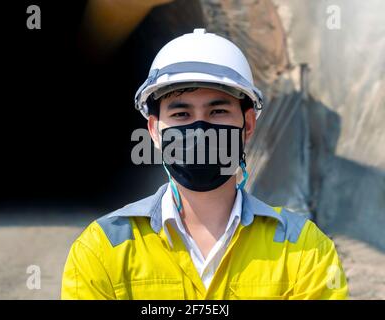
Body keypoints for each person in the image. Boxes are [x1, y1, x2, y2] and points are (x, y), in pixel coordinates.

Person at [61, 29, 348, 299]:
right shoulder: (100, 250)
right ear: (154, 130)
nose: (200, 129)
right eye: (182, 115)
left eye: (218, 110)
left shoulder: (305, 249)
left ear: (247, 126)